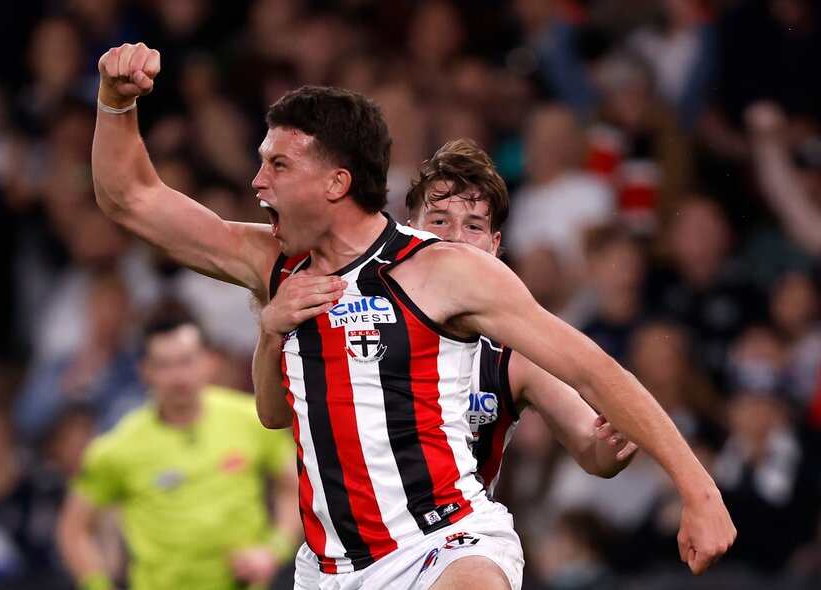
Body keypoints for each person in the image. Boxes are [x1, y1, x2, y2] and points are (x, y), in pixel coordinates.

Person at [91, 42, 735, 589]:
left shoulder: (444, 271)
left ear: (336, 182)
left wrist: (698, 490)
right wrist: (116, 102)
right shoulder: (274, 265)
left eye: (277, 164)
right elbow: (131, 199)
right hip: (329, 569)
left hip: (444, 544)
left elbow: (592, 367)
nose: (257, 181)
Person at [254, 139, 640, 586]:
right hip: (341, 558)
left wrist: (615, 443)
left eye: (473, 226)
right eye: (439, 221)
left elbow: (592, 450)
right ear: (406, 232)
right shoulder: (353, 314)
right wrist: (270, 332)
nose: (454, 238)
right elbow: (273, 414)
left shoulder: (516, 355)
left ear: (495, 245)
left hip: (449, 546)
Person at [56, 308, 300, 590]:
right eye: (164, 365)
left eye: (186, 361)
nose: (178, 376)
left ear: (208, 362)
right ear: (144, 371)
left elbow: (294, 488)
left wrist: (274, 549)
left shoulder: (252, 419)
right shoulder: (118, 448)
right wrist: (98, 585)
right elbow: (73, 529)